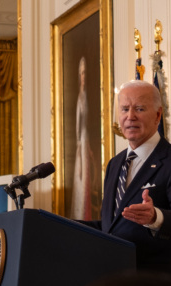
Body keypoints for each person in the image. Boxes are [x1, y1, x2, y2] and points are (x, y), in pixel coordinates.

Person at [81, 80, 171, 283]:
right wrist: (61, 224)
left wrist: (156, 217)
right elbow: (112, 225)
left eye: (139, 108)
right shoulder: (114, 164)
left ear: (157, 115)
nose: (130, 117)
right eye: (125, 109)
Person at [70, 56, 96, 220]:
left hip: (86, 142)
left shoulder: (88, 96)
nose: (83, 76)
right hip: (82, 142)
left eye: (85, 73)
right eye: (81, 73)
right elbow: (79, 127)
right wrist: (81, 147)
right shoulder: (80, 97)